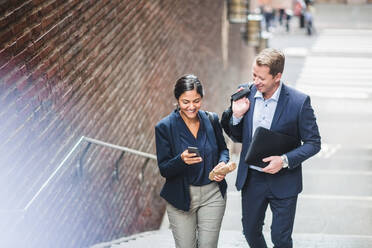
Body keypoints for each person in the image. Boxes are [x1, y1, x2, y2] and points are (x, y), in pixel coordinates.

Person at [227, 48, 321, 248]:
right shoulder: (245, 93)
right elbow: (236, 136)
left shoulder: (299, 102)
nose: (255, 82)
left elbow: (314, 143)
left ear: (277, 76)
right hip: (252, 180)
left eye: (261, 78)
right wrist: (236, 116)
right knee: (250, 232)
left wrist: (284, 160)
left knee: (281, 238)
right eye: (254, 75)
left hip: (284, 181)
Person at [155, 74, 230, 248]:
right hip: (182, 196)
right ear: (177, 100)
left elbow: (223, 150)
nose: (191, 107)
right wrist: (181, 160)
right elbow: (164, 169)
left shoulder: (211, 120)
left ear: (202, 98)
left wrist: (222, 164)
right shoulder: (165, 127)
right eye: (185, 102)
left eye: (196, 101)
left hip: (213, 194)